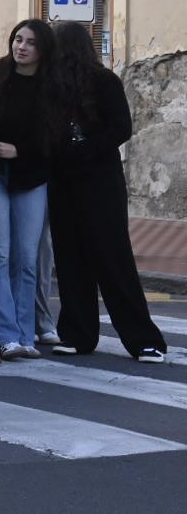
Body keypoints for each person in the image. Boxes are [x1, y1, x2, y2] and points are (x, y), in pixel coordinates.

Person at [46, 21, 166, 362]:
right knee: (71, 260)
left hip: (99, 182)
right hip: (65, 182)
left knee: (112, 259)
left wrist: (83, 150)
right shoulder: (51, 86)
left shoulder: (104, 81)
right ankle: (77, 334)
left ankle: (143, 339)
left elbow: (121, 128)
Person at [0, 19, 59, 360]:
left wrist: (21, 151)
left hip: (31, 177)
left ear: (42, 49)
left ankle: (24, 334)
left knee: (27, 257)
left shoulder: (53, 86)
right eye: (17, 39)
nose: (21, 46)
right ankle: (1, 337)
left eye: (30, 42)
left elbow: (58, 138)